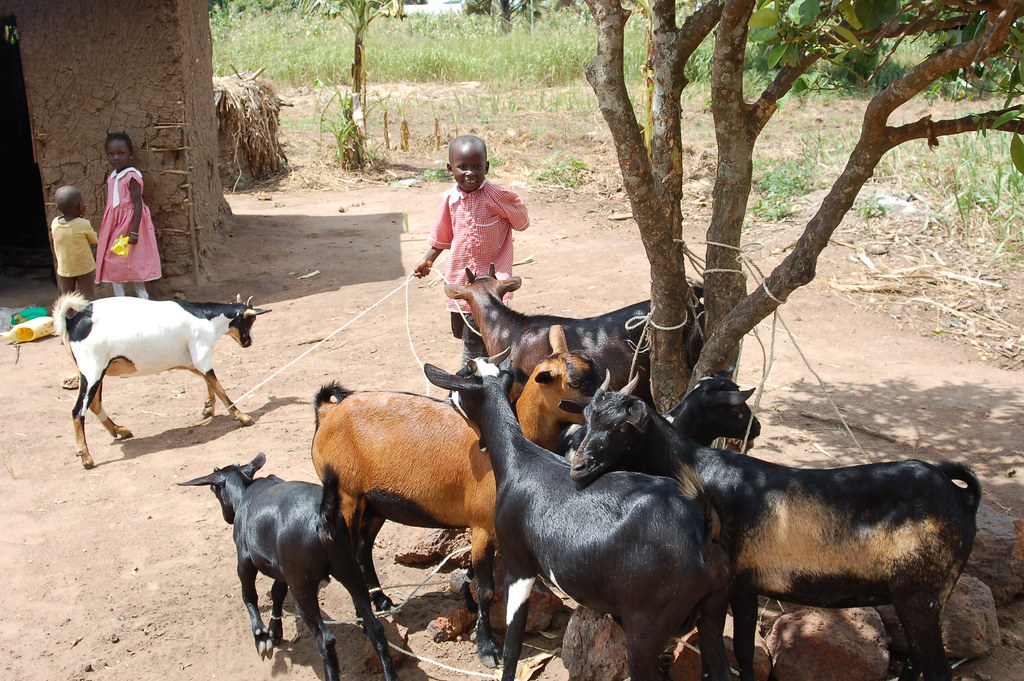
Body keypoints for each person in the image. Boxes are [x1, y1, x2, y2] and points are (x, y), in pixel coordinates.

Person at [413, 135, 530, 362]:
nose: (470, 173)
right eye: (462, 167)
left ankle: (470, 381)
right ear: (450, 168)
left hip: (492, 283)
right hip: (461, 279)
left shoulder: (497, 197)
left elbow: (521, 223)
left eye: (477, 167)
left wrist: (505, 203)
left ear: (486, 167)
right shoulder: (448, 199)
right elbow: (442, 234)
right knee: (465, 331)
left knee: (482, 334)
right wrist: (428, 259)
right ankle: (487, 373)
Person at [95, 132, 161, 298]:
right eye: (111, 154)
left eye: (121, 153)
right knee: (114, 262)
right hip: (115, 225)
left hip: (130, 225)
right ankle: (120, 299)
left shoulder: (131, 176)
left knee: (135, 262)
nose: (116, 157)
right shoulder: (113, 176)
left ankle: (142, 298)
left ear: (130, 154)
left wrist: (134, 231)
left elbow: (138, 204)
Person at [50, 185, 97, 299]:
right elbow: (94, 240)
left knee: (68, 298)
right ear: (79, 206)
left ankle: (68, 316)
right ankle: (88, 316)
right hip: (84, 267)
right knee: (88, 296)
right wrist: (81, 218)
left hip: (65, 268)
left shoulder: (55, 223)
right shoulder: (83, 224)